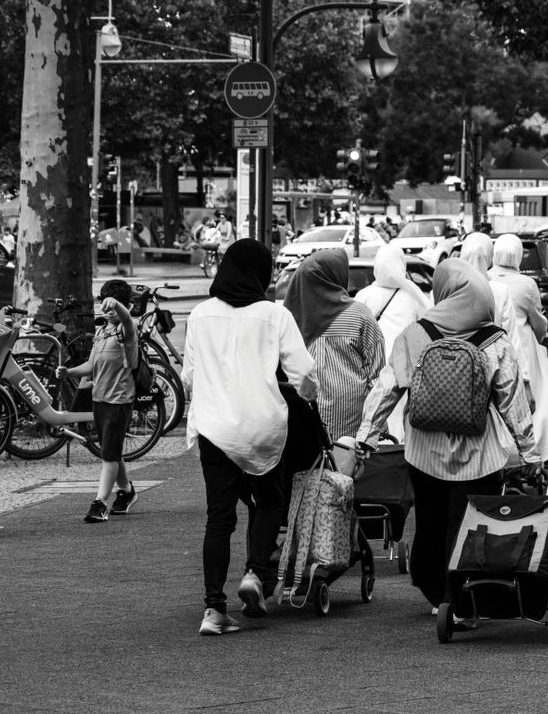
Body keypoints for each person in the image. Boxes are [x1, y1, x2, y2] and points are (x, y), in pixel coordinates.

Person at [355, 259, 534, 611]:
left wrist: (366, 436)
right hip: (479, 454)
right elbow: (513, 399)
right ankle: (464, 594)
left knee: (432, 521)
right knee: (471, 524)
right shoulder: (493, 339)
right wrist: (529, 450)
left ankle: (437, 592)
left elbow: (387, 388)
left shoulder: (416, 334)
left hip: (424, 451)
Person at [182, 239, 318, 636]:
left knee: (219, 517)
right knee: (270, 500)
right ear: (261, 272)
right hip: (262, 425)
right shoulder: (273, 314)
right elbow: (304, 373)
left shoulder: (200, 313)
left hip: (214, 427)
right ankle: (257, 574)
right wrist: (309, 398)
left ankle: (213, 608)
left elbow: (189, 377)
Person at [57, 280, 140, 524]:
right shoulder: (103, 331)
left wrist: (118, 306)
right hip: (99, 398)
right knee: (110, 451)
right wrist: (68, 372)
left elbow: (127, 320)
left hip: (119, 399)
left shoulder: (128, 330)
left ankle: (100, 503)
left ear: (126, 306)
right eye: (106, 306)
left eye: (114, 306)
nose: (109, 311)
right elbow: (91, 365)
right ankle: (126, 491)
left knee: (108, 455)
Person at [282, 250, 384, 441]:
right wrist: (375, 428)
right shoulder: (360, 314)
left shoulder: (289, 317)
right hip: (351, 425)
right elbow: (378, 378)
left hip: (302, 419)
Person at [491, 233, 548, 465]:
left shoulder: (484, 278)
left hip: (491, 346)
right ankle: (533, 452)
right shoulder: (527, 284)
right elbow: (537, 322)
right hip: (522, 346)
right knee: (535, 405)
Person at [354, 242, 430, 442]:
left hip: (370, 369)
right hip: (403, 371)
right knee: (399, 419)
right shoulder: (414, 296)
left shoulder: (363, 296)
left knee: (372, 414)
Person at [459, 232, 519, 354]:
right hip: (492, 362)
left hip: (453, 366)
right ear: (489, 257)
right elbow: (512, 336)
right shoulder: (500, 290)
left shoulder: (446, 289)